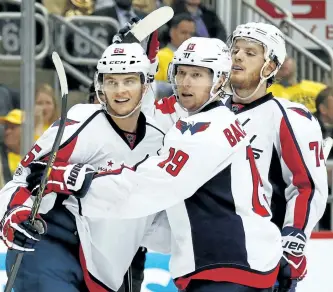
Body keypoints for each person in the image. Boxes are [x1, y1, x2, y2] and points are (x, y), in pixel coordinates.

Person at [29, 37, 284, 291]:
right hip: (235, 263)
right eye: (181, 72)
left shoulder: (207, 131)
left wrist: (75, 180)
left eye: (197, 75)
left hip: (230, 267)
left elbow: (147, 186)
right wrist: (144, 68)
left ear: (219, 79)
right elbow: (150, 125)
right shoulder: (208, 121)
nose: (185, 82)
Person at [0, 42, 168, 292]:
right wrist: (13, 216)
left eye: (129, 81)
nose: (120, 90)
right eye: (111, 81)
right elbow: (26, 176)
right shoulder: (80, 122)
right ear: (100, 86)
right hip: (51, 243)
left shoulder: (160, 139)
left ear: (145, 85)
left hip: (108, 261)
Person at [224, 22, 328, 291]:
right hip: (209, 256)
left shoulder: (289, 117)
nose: (237, 56)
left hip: (264, 260)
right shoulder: (207, 114)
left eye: (250, 52)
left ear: (270, 66)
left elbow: (306, 187)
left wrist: (293, 242)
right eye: (235, 50)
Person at [0, 109, 23, 188]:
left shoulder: (36, 154)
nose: (7, 132)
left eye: (12, 127)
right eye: (6, 127)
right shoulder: (1, 154)